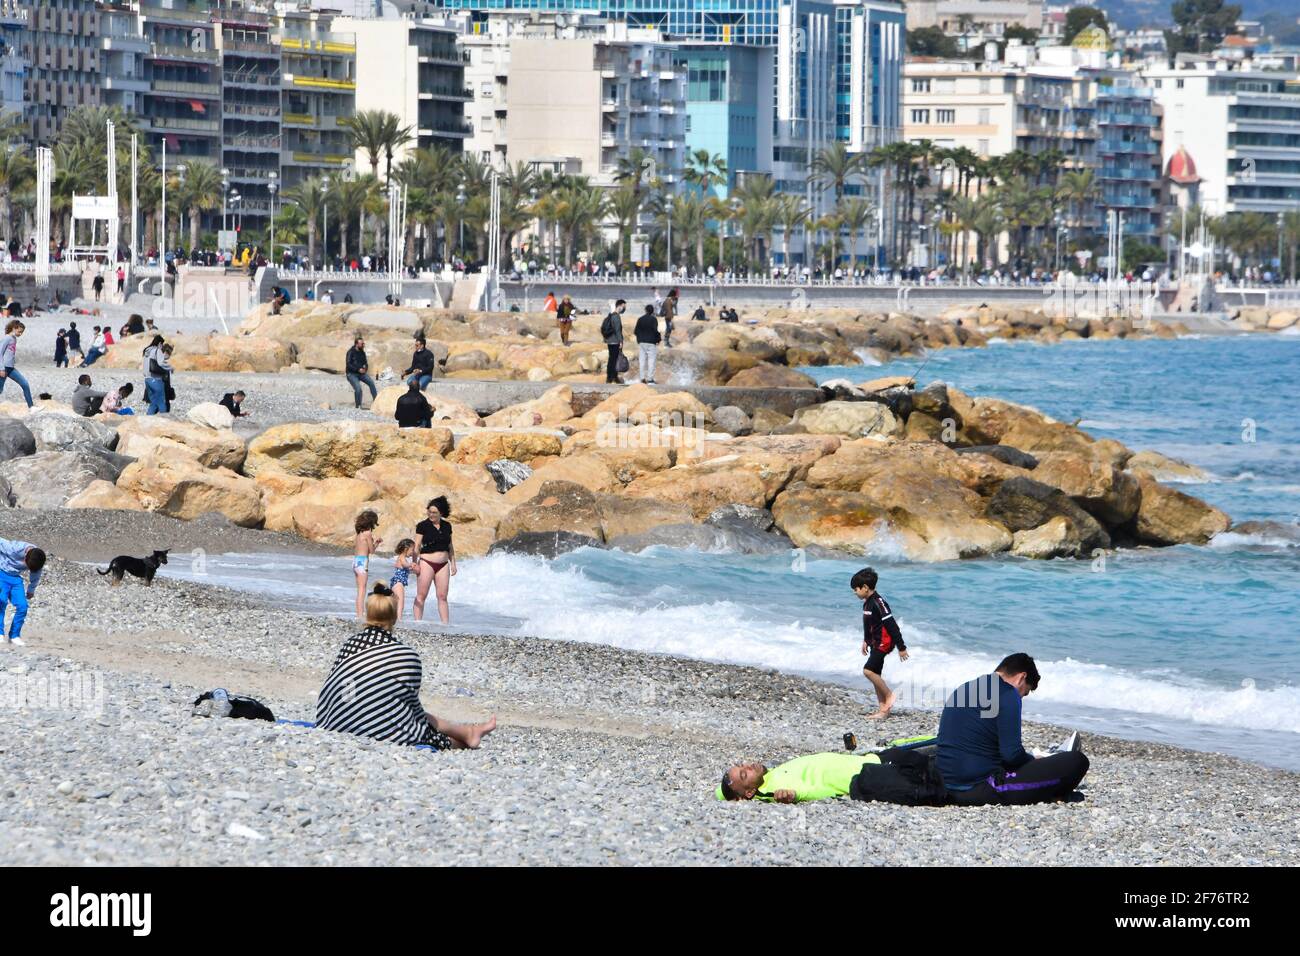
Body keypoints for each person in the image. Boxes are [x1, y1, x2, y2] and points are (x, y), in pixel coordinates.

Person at [317, 583, 496, 749]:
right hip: (375, 728)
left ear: (367, 614)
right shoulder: (405, 656)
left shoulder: (350, 644)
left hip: (337, 720)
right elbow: (411, 706)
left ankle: (469, 733)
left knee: (403, 711)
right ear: (394, 617)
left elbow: (335, 686)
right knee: (422, 725)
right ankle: (466, 737)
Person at [937, 653, 1090, 806]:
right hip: (974, 789)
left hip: (943, 783)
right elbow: (1012, 756)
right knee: (1077, 761)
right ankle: (1055, 791)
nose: (1021, 697)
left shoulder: (965, 688)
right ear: (1021, 678)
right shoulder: (1008, 694)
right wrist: (1034, 760)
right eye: (1024, 693)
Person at [852, 567, 908, 720]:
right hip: (875, 642)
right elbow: (869, 624)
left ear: (865, 587)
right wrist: (865, 640)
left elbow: (891, 624)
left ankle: (889, 695)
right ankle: (883, 711)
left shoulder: (878, 602)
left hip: (884, 643)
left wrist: (901, 647)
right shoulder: (867, 603)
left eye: (855, 589)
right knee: (875, 674)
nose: (854, 592)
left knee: (868, 671)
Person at [413, 495, 455, 624]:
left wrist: (453, 563)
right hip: (427, 562)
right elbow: (417, 545)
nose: (431, 514)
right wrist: (414, 563)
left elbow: (450, 546)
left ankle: (445, 625)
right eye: (429, 512)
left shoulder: (447, 526)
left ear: (441, 513)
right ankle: (417, 623)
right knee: (421, 595)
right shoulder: (423, 525)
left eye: (434, 512)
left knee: (442, 596)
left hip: (443, 564)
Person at [0, 538, 45, 647]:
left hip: (15, 579)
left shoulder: (37, 559)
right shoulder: (13, 548)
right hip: (1, 573)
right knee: (1, 601)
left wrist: (31, 590)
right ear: (25, 557)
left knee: (23, 606)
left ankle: (14, 636)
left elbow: (36, 574)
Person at [352, 509, 381, 619]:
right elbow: (371, 551)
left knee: (359, 589)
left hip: (355, 561)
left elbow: (364, 548)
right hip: (363, 562)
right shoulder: (368, 533)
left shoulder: (359, 533)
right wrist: (376, 543)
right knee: (362, 590)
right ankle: (360, 615)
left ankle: (358, 613)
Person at [0, 319, 33, 408]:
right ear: (14, 328)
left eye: (22, 332)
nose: (20, 334)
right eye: (19, 332)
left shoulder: (14, 339)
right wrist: (1, 369)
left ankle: (31, 407)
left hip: (11, 369)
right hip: (3, 369)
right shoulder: (7, 338)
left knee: (25, 384)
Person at [388, 538, 417, 622]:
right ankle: (399, 618)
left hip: (396, 582)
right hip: (398, 583)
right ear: (405, 549)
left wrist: (412, 569)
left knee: (395, 601)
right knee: (400, 601)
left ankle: (393, 617)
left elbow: (406, 568)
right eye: (412, 550)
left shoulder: (402, 557)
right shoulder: (402, 557)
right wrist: (411, 565)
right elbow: (405, 565)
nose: (412, 552)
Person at [142, 335, 172, 415]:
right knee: (161, 401)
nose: (162, 346)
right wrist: (170, 368)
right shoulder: (157, 350)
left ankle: (148, 419)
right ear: (159, 343)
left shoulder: (147, 351)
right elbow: (161, 363)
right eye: (162, 344)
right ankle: (164, 419)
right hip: (156, 379)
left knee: (153, 402)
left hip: (147, 379)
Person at [345, 336, 377, 409]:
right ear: (357, 344)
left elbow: (366, 363)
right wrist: (358, 369)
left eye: (363, 343)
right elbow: (348, 364)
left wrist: (365, 368)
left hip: (361, 373)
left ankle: (376, 401)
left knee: (371, 383)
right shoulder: (350, 352)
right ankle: (358, 406)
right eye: (362, 344)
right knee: (358, 388)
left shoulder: (362, 352)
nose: (363, 345)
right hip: (351, 374)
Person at [601, 298, 627, 385]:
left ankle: (611, 377)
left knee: (612, 359)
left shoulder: (611, 315)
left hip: (610, 341)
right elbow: (617, 330)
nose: (624, 308)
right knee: (614, 360)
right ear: (619, 306)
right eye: (623, 306)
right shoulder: (616, 317)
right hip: (615, 341)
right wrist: (621, 341)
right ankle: (612, 377)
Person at [634, 303, 660, 385]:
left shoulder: (640, 319)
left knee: (642, 360)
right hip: (651, 342)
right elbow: (655, 331)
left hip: (642, 342)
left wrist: (639, 339)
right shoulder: (654, 319)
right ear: (652, 311)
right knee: (651, 361)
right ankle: (650, 379)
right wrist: (658, 339)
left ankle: (642, 378)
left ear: (645, 310)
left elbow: (635, 331)